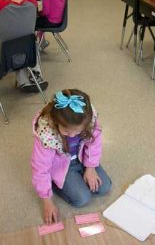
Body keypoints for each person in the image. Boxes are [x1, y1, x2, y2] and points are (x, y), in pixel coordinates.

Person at [31, 89, 112, 225]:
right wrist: (47, 200)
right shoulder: (46, 135)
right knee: (82, 199)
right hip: (62, 167)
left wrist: (90, 167)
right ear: (56, 122)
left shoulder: (88, 120)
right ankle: (54, 183)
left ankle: (81, 173)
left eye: (78, 131)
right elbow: (40, 168)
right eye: (66, 131)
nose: (73, 135)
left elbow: (94, 143)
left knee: (104, 187)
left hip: (81, 159)